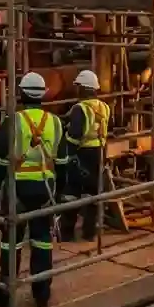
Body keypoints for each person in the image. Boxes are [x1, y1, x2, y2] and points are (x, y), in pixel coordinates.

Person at [0, 71, 68, 307]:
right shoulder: (55, 122)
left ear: (21, 94)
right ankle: (41, 294)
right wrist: (59, 193)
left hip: (17, 189)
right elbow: (62, 163)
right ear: (43, 95)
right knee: (42, 241)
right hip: (45, 189)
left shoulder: (14, 121)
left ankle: (5, 296)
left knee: (11, 243)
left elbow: (0, 161)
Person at [61, 70, 112, 241]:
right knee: (93, 194)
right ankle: (89, 233)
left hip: (80, 154)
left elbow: (74, 135)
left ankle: (67, 233)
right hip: (99, 153)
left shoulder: (80, 109)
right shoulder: (104, 107)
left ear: (83, 88)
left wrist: (68, 153)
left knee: (71, 194)